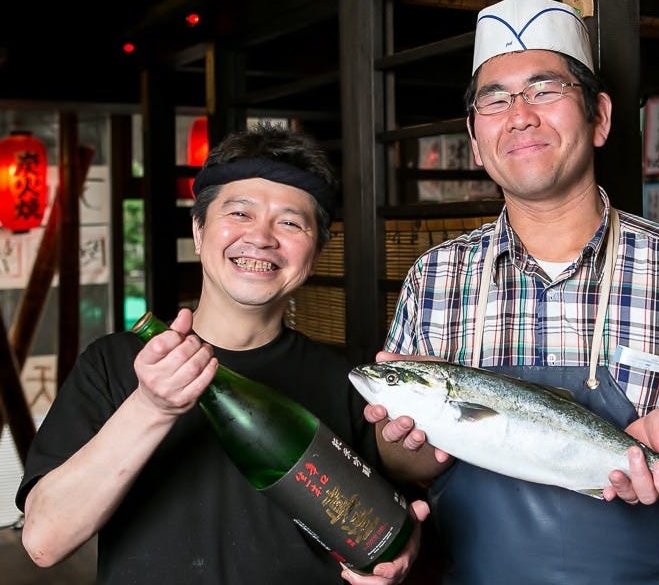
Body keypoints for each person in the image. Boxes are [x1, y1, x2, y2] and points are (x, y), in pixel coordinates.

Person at [364, 0, 659, 584]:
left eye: (546, 90)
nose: (520, 114)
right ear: (476, 143)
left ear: (599, 117)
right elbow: (405, 464)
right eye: (494, 100)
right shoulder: (434, 278)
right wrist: (403, 443)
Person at [16, 122, 429, 585]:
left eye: (291, 222)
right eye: (239, 213)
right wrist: (151, 406)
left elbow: (388, 527)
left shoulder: (346, 381)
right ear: (198, 230)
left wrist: (393, 562)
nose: (261, 237)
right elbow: (44, 540)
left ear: (315, 253)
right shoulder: (113, 363)